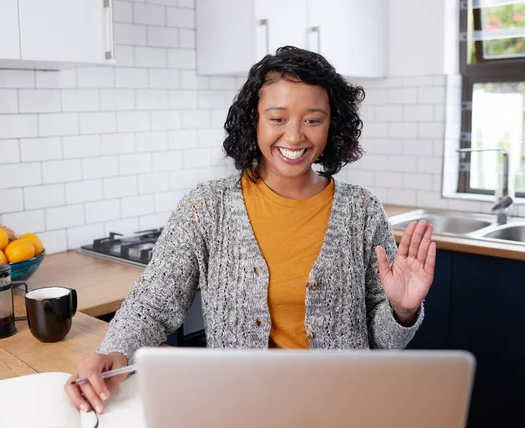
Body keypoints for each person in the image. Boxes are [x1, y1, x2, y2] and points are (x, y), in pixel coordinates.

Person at [65, 46, 436, 414]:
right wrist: (112, 351)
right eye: (277, 118)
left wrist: (402, 310)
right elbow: (152, 303)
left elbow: (384, 343)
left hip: (342, 410)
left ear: (331, 124)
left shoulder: (362, 210)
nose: (294, 136)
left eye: (313, 119)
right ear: (253, 121)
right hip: (242, 410)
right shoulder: (207, 206)